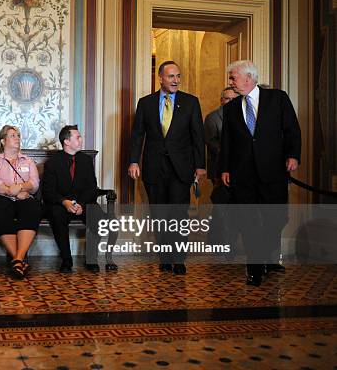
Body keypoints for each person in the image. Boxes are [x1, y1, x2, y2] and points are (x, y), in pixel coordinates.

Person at [220, 60, 301, 286]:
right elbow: (227, 140)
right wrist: (225, 168)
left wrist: (293, 156)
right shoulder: (231, 108)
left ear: (248, 78)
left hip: (273, 172)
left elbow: (292, 129)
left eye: (233, 77)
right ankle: (254, 268)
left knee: (275, 219)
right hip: (242, 175)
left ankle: (264, 256)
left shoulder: (278, 98)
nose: (230, 82)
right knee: (248, 222)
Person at [128, 60, 206, 275]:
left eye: (178, 76)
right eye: (171, 76)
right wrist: (134, 161)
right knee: (159, 214)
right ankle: (164, 257)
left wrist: (200, 165)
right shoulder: (146, 103)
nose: (176, 80)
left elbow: (198, 136)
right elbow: (137, 136)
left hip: (181, 168)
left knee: (179, 214)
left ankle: (179, 259)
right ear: (160, 78)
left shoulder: (191, 102)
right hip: (154, 168)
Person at [42, 125, 117, 273]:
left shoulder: (86, 160)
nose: (81, 139)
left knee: (98, 217)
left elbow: (91, 188)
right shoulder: (53, 162)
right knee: (57, 215)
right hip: (61, 203)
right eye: (77, 137)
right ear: (66, 141)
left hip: (84, 203)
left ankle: (91, 259)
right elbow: (48, 191)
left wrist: (81, 204)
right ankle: (66, 260)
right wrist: (65, 202)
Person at [0, 125, 42, 279]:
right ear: (3, 141)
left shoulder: (27, 160)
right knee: (0, 208)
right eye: (12, 135)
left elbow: (34, 183)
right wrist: (11, 191)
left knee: (32, 207)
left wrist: (21, 187)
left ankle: (17, 258)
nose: (17, 138)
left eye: (18, 135)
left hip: (24, 197)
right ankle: (20, 259)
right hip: (3, 197)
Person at [204, 87, 238, 247]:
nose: (230, 102)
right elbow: (211, 143)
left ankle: (227, 242)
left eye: (233, 99)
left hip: (237, 169)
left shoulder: (240, 116)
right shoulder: (212, 117)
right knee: (220, 205)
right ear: (221, 100)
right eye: (227, 99)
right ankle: (217, 241)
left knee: (232, 207)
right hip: (218, 169)